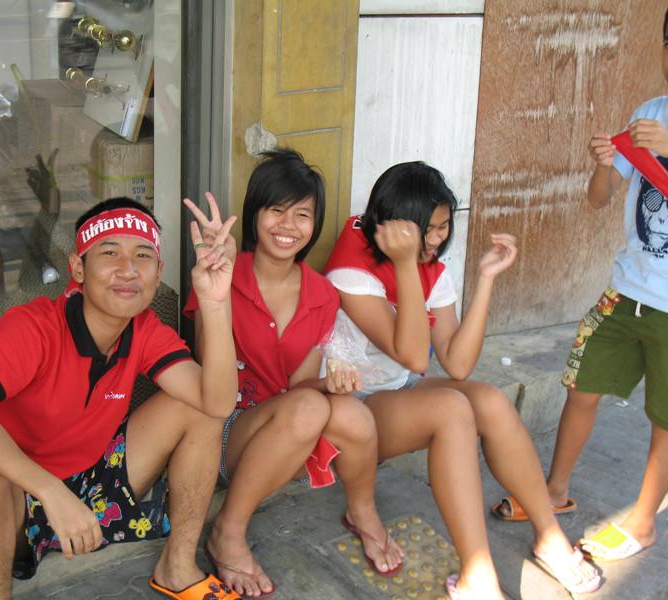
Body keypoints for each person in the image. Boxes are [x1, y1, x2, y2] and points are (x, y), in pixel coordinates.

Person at [0, 197, 243, 600]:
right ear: (78, 268)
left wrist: (215, 302)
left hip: (96, 479)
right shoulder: (34, 327)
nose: (128, 269)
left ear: (159, 272)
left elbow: (217, 404)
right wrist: (50, 491)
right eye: (110, 252)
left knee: (197, 407)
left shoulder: (144, 328)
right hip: (18, 494)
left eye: (142, 255)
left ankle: (177, 568)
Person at [323, 161, 601, 599]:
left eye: (442, 227)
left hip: (397, 392)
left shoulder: (426, 261)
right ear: (396, 225)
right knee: (453, 409)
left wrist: (487, 279)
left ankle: (549, 535)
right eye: (427, 229)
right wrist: (405, 264)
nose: (436, 239)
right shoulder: (351, 268)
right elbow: (415, 355)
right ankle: (478, 574)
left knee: (487, 399)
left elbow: (456, 363)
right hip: (350, 406)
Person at [183, 150, 403, 598]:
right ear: (254, 214)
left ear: (314, 223)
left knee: (353, 415)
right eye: (276, 210)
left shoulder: (322, 293)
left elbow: (299, 386)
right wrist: (218, 290)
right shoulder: (225, 272)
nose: (288, 226)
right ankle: (228, 530)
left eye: (302, 214)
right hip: (223, 429)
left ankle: (363, 514)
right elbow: (208, 361)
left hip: (285, 426)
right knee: (308, 409)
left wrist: (331, 382)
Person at [543, 8, 668, 563]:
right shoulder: (648, 113)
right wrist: (601, 163)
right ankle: (553, 493)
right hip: (626, 292)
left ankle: (642, 524)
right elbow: (599, 199)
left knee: (666, 419)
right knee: (582, 386)